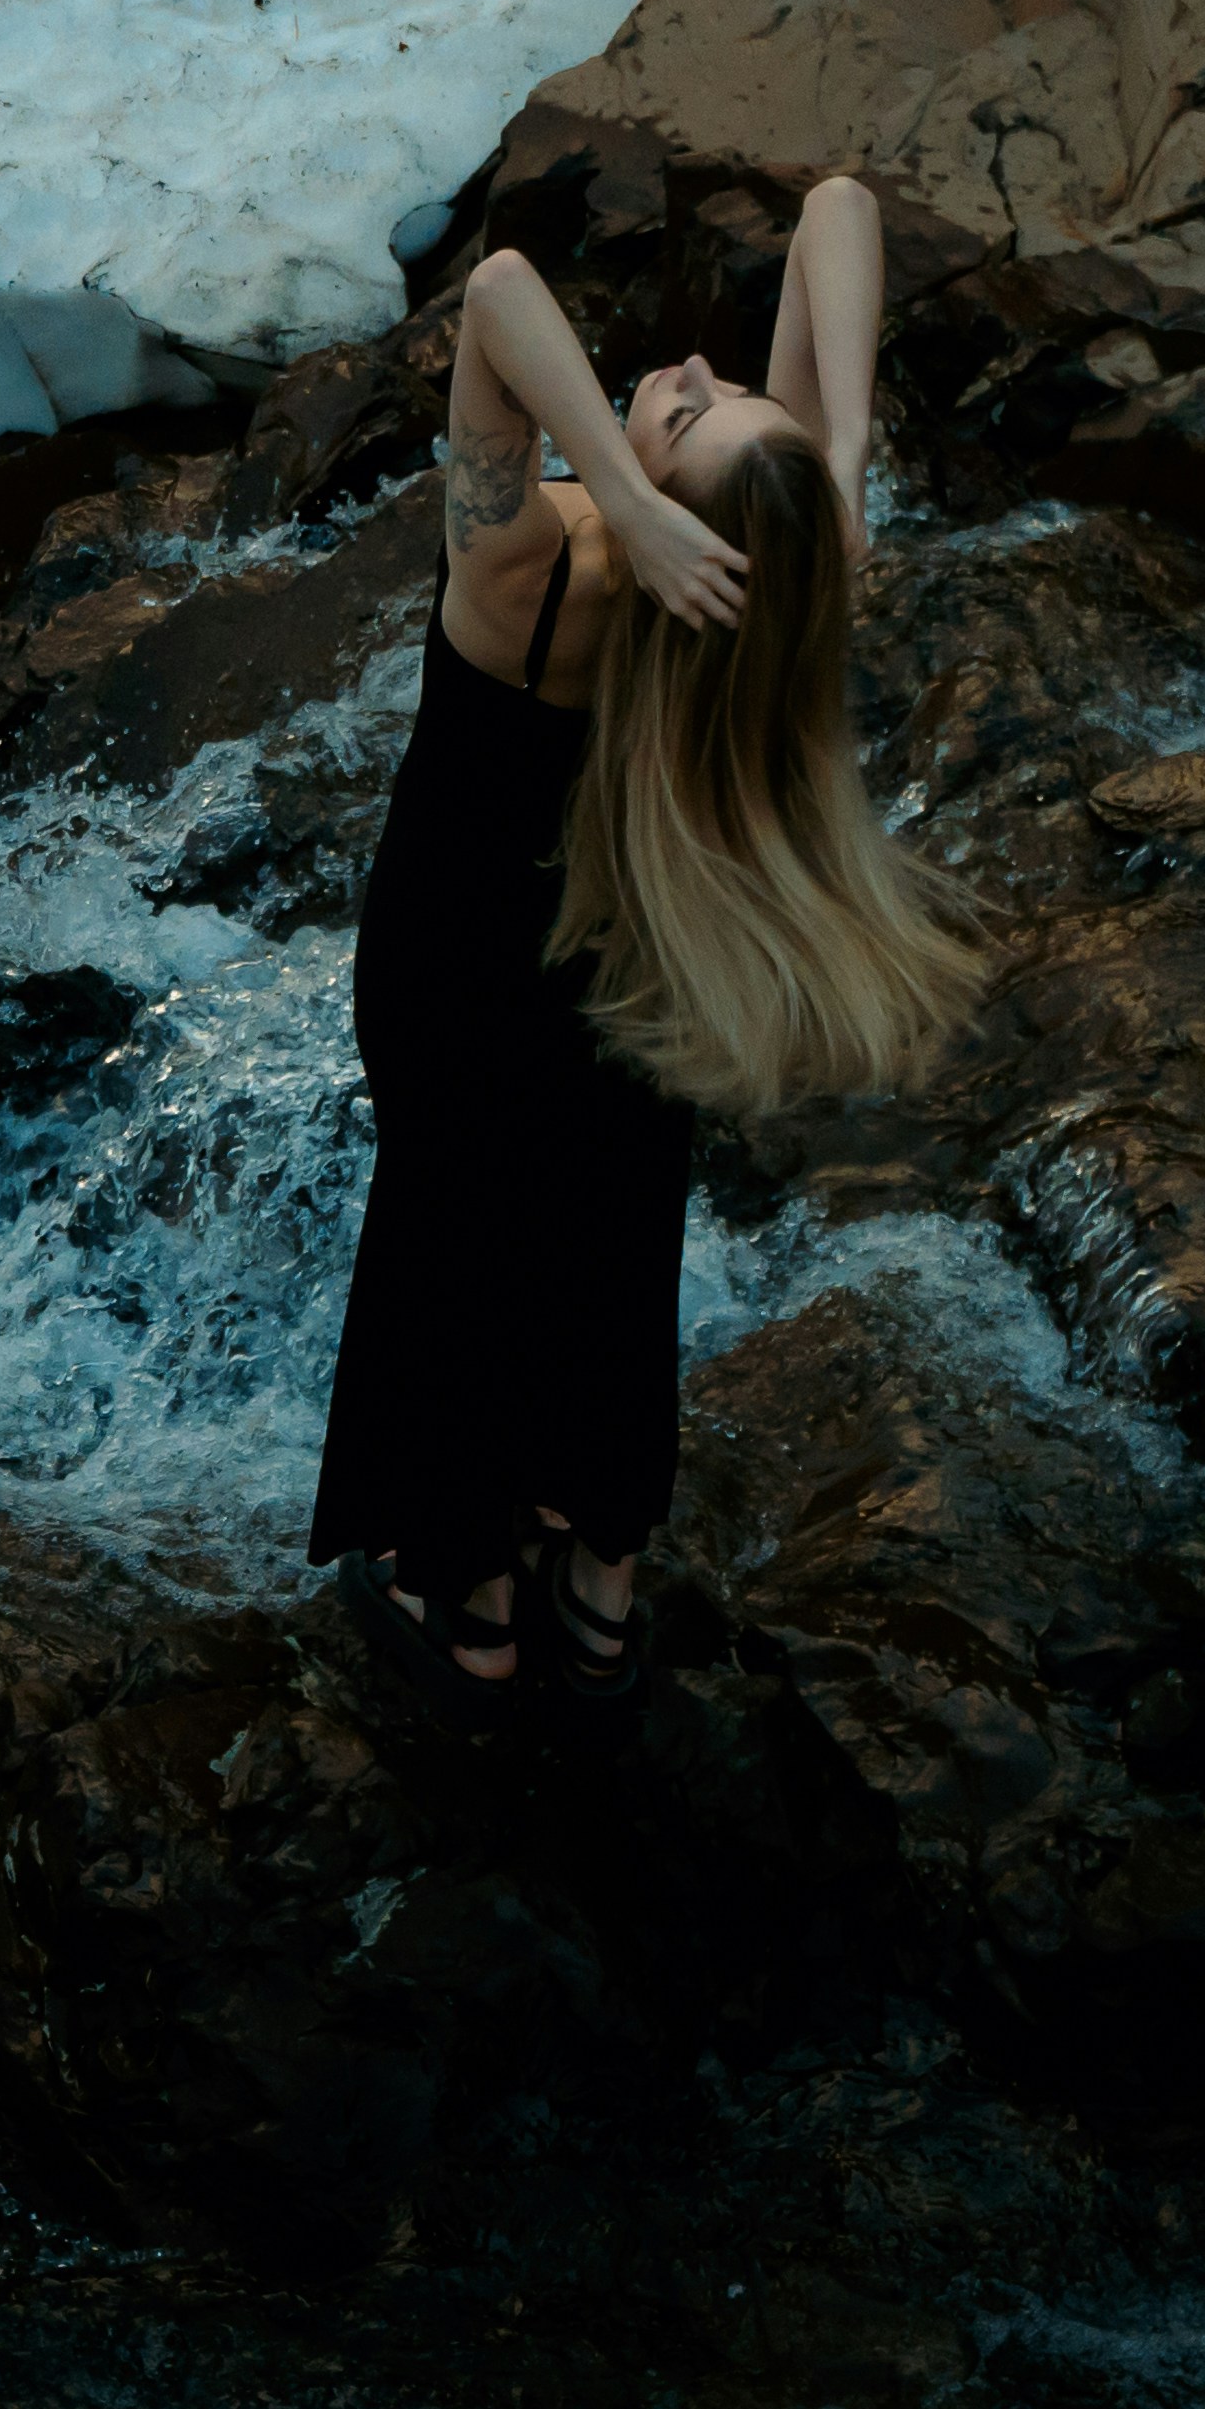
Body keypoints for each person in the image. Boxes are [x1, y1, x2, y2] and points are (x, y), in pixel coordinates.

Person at [307, 176, 982, 1724]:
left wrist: (612, 484)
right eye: (722, 385)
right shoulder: (778, 591)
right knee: (610, 1237)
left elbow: (496, 296)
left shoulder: (533, 568)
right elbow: (837, 207)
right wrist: (842, 458)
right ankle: (596, 1587)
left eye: (697, 409)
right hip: (643, 951)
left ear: (675, 506)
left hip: (454, 960)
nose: (690, 369)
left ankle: (463, 1600)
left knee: (450, 1246)